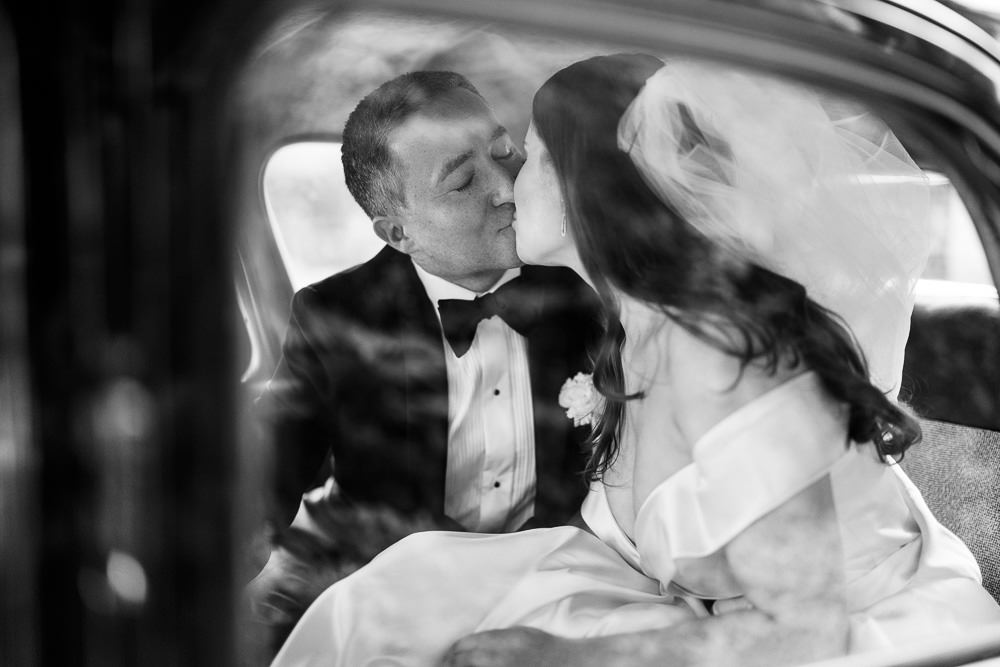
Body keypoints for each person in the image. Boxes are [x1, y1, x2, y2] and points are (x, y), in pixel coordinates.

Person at [270, 54, 1000, 667]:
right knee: (395, 594)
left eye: (522, 154)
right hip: (705, 611)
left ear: (586, 187)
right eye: (468, 178)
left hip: (859, 638)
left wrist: (560, 653)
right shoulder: (630, 330)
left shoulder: (720, 354)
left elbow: (808, 632)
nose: (507, 185)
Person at [248, 70, 601, 651]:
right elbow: (275, 462)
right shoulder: (336, 314)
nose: (507, 189)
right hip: (389, 585)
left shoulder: (583, 284)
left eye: (506, 153)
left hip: (556, 579)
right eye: (463, 182)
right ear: (397, 231)